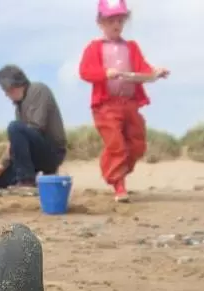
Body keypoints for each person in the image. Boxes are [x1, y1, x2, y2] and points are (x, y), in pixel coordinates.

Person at [78, 0, 169, 202]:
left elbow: (142, 69)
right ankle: (119, 185)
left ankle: (112, 169)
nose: (116, 24)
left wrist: (156, 72)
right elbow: (85, 72)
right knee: (116, 145)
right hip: (106, 106)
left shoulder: (131, 47)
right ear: (100, 22)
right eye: (110, 20)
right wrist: (104, 73)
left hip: (129, 104)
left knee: (137, 144)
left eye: (119, 20)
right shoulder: (95, 47)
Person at [0, 65, 67, 194]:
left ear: (13, 86)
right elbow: (17, 140)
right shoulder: (20, 105)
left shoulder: (39, 90)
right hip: (31, 154)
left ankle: (27, 181)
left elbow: (36, 126)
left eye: (6, 90)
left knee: (15, 127)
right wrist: (3, 165)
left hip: (52, 152)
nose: (6, 95)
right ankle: (26, 178)